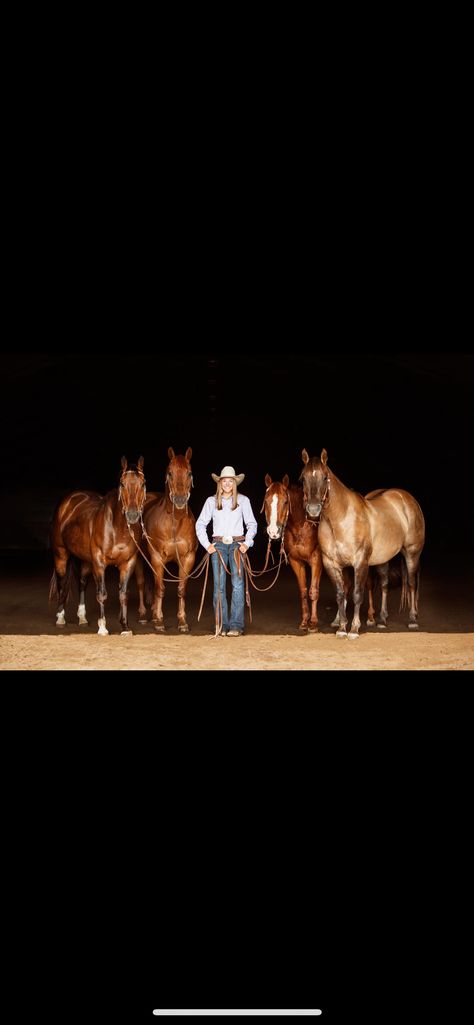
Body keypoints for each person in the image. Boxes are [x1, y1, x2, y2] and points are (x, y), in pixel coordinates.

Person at [196, 465, 258, 636]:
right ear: (220, 482)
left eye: (231, 481)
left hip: (238, 545)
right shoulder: (211, 502)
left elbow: (252, 524)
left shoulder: (243, 501)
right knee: (219, 586)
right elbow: (200, 524)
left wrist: (248, 542)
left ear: (235, 483)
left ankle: (236, 626)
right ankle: (221, 625)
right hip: (219, 545)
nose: (227, 484)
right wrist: (207, 544)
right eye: (224, 481)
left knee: (238, 585)